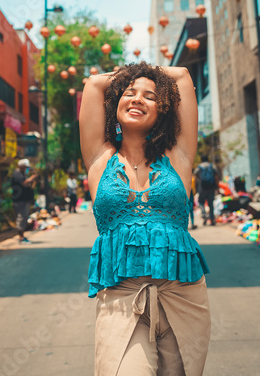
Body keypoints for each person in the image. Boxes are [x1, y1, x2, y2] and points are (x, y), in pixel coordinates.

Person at [79, 62, 210, 376]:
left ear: (163, 109)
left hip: (183, 294)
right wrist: (130, 74)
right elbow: (95, 84)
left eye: (150, 96)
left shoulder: (178, 157)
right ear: (116, 105)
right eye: (130, 93)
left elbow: (182, 76)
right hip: (123, 296)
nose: (138, 99)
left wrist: (147, 77)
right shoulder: (100, 158)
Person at [11, 159, 37, 243]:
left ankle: (22, 237)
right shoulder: (17, 174)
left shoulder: (23, 174)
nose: (27, 169)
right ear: (21, 166)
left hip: (25, 199)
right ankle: (21, 238)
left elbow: (29, 185)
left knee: (24, 217)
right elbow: (25, 183)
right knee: (21, 218)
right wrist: (33, 176)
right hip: (20, 200)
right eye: (26, 167)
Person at [194, 154, 218, 226]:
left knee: (201, 202)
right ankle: (211, 218)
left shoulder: (199, 167)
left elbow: (195, 176)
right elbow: (216, 176)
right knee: (210, 203)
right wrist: (217, 186)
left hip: (202, 187)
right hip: (211, 187)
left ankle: (204, 214)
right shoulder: (212, 166)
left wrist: (196, 186)